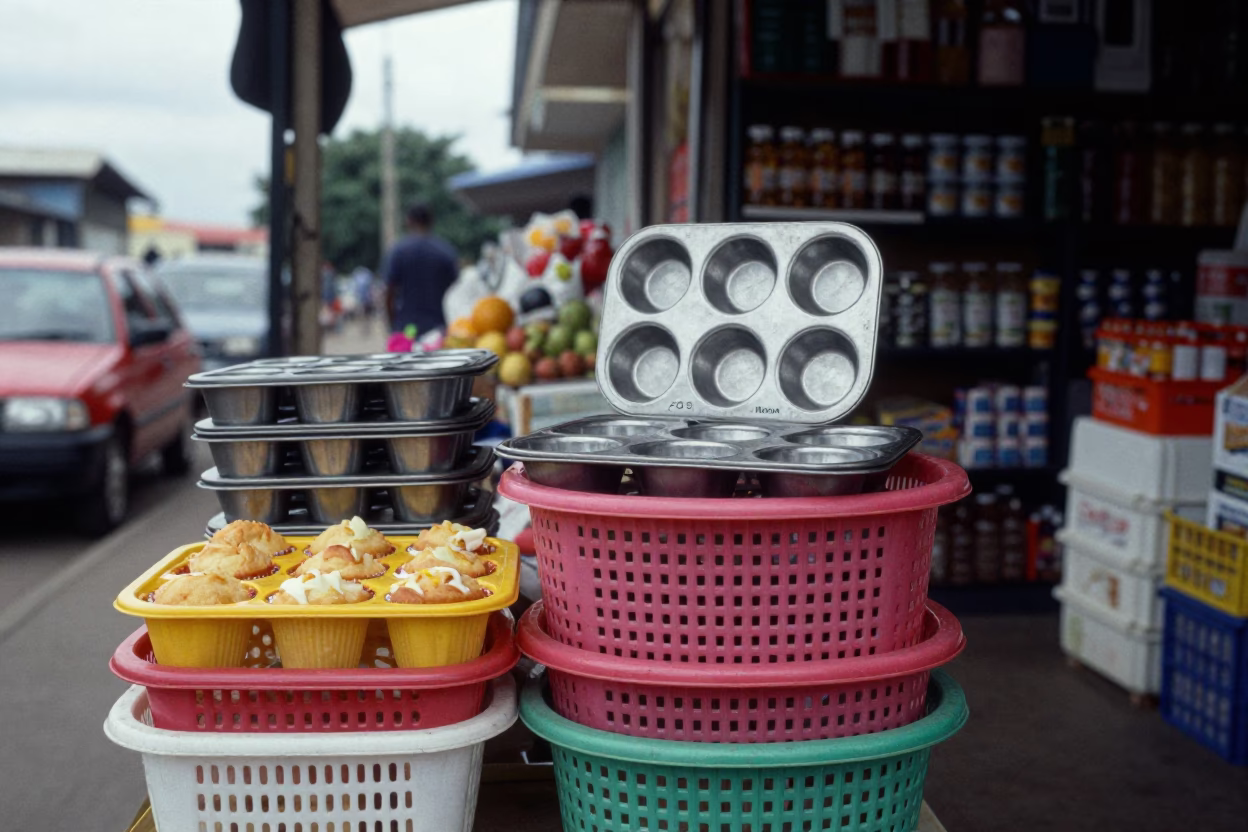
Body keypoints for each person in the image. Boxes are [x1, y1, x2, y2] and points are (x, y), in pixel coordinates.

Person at [384, 203, 459, 337]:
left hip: (406, 329)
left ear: (408, 221)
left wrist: (393, 326)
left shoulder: (398, 251)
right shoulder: (445, 252)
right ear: (431, 221)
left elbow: (389, 292)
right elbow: (456, 291)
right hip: (438, 329)